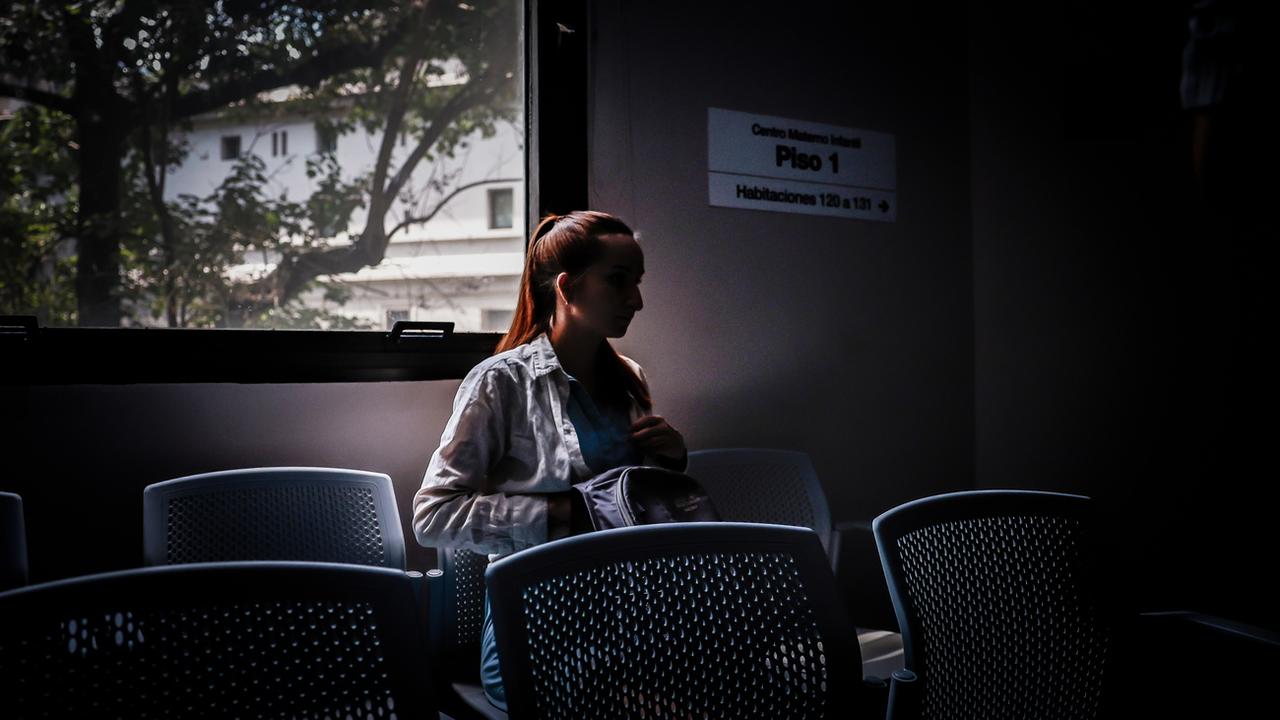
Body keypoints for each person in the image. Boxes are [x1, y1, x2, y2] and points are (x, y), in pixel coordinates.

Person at [412, 210, 688, 711]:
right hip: (539, 626)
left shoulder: (630, 376)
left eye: (638, 282)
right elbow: (433, 517)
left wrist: (671, 462)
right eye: (618, 281)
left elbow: (630, 505)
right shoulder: (499, 382)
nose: (638, 300)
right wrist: (561, 515)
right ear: (567, 287)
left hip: (634, 616)